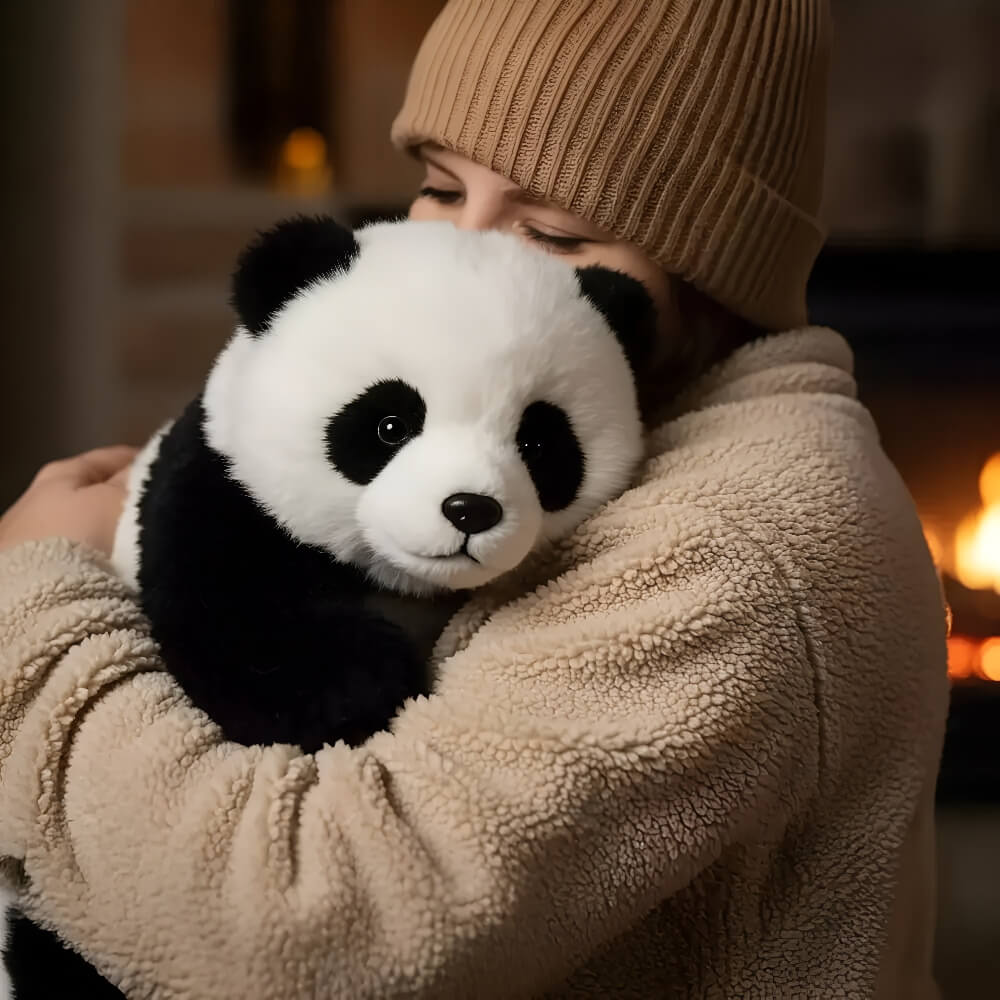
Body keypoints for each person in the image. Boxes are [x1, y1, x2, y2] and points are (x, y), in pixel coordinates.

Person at [0, 1, 949, 997]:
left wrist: (35, 609)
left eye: (553, 232)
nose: (464, 257)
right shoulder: (562, 444)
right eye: (441, 189)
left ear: (707, 277)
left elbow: (311, 937)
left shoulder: (726, 543)